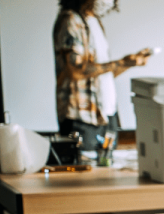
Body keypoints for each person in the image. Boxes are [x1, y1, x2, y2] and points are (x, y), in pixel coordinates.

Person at [53, 0, 150, 151]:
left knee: (107, 168)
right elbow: (76, 71)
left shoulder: (95, 22)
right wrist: (120, 62)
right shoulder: (71, 20)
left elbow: (101, 74)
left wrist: (128, 63)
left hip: (107, 113)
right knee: (83, 169)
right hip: (82, 115)